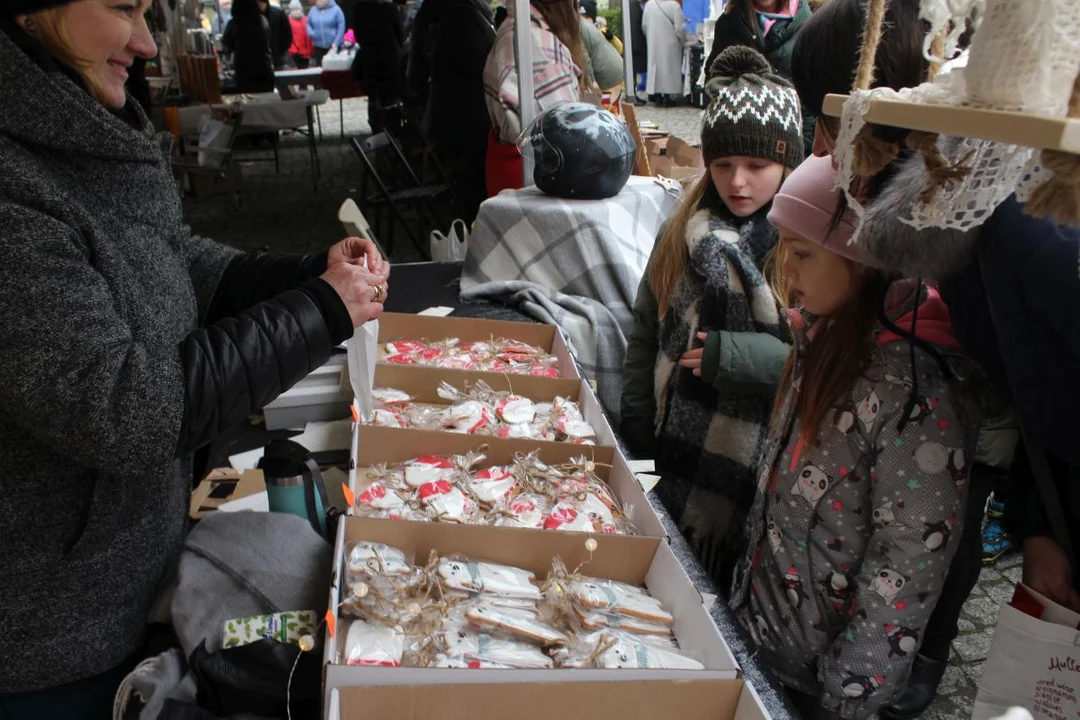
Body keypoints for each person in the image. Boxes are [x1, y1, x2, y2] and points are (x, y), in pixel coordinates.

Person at [0, 3, 389, 717]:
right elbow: (126, 406)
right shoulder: (15, 183)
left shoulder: (87, 117)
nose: (147, 41)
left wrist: (305, 273)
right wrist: (320, 310)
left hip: (131, 574)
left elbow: (175, 263)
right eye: (122, 8)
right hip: (48, 634)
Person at [789, 1, 1080, 716]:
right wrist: (1043, 523)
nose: (824, 154)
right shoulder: (958, 225)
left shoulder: (1025, 228)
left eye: (829, 126)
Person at [731, 154, 980, 719]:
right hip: (769, 640)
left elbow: (909, 563)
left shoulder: (916, 397)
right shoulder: (822, 336)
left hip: (827, 683)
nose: (786, 271)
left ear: (862, 259)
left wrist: (850, 695)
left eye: (801, 253)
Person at [620, 47, 803, 590]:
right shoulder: (681, 231)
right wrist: (635, 426)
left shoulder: (803, 246)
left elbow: (822, 359)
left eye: (756, 166)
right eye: (723, 165)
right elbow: (646, 331)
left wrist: (740, 357)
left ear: (787, 162)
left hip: (766, 470)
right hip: (673, 449)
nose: (738, 182)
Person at [482, 0, 585, 196]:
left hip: (517, 175)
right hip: (536, 181)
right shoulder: (536, 43)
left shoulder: (514, 30)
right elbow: (571, 137)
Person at [407, 0, 495, 223]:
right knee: (472, 187)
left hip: (465, 115)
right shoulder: (461, 15)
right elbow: (478, 64)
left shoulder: (465, 12)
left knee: (472, 183)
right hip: (466, 118)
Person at [704, 0, 812, 153]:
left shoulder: (809, 24)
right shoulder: (730, 22)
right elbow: (715, 80)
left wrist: (803, 147)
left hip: (790, 143)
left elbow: (813, 93)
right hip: (742, 142)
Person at [352, 0, 406, 134]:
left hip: (370, 61)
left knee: (373, 100)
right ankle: (393, 136)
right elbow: (401, 37)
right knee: (391, 100)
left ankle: (377, 136)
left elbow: (358, 36)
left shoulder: (359, 9)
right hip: (390, 62)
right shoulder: (390, 9)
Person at [222, 0, 275, 92]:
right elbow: (269, 40)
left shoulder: (234, 23)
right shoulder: (262, 20)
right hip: (264, 65)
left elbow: (227, 46)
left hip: (243, 68)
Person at [641, 0, 685, 106]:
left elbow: (644, 25)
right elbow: (680, 28)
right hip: (671, 43)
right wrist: (682, 40)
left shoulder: (649, 4)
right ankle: (667, 96)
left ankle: (657, 95)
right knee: (669, 69)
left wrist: (650, 36)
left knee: (656, 68)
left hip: (653, 42)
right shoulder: (675, 6)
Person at [580, 14, 623, 90]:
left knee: (608, 101)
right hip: (612, 75)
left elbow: (619, 49)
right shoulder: (588, 27)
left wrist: (612, 39)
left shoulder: (601, 30)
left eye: (587, 16)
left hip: (609, 78)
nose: (585, 18)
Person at [307, 0, 346, 65]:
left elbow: (341, 27)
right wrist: (311, 33)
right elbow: (308, 23)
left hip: (333, 47)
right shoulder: (312, 10)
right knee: (320, 69)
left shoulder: (336, 10)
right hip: (318, 46)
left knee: (333, 69)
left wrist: (336, 42)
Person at [258, 0, 293, 69]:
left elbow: (287, 36)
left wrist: (280, 53)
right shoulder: (250, 16)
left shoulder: (277, 13)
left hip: (277, 60)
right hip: (258, 61)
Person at [628, 0, 646, 100]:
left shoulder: (631, 3)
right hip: (635, 45)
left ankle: (633, 94)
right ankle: (633, 94)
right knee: (633, 71)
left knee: (633, 71)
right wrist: (635, 46)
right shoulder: (633, 4)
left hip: (633, 44)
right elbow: (634, 25)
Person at [287, 0, 313, 68]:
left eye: (297, 9)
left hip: (307, 53)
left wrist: (311, 49)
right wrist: (294, 51)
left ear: (301, 10)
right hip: (296, 54)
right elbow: (289, 38)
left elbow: (310, 35)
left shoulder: (306, 20)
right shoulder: (289, 22)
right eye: (293, 10)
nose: (295, 11)